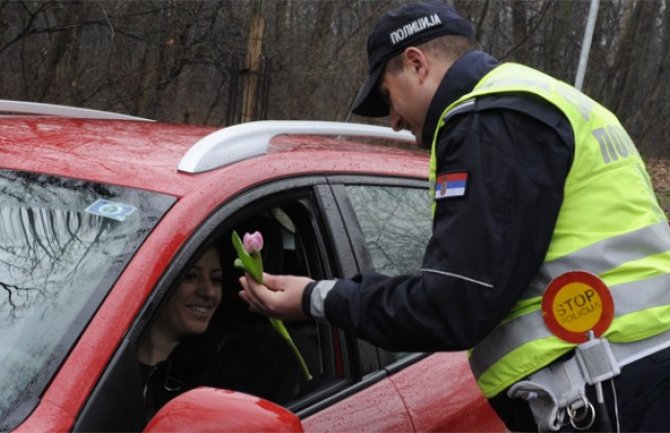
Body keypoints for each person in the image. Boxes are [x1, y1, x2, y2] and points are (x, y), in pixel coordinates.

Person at [238, 1, 670, 432]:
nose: (392, 122)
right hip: (631, 372)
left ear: (416, 63)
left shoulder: (492, 118)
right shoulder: (542, 100)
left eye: (387, 97)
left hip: (609, 388)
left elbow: (455, 303)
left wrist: (317, 297)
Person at [137, 244, 301, 421]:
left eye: (216, 279)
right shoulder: (109, 347)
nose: (208, 292)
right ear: (156, 282)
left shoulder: (237, 362)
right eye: (191, 276)